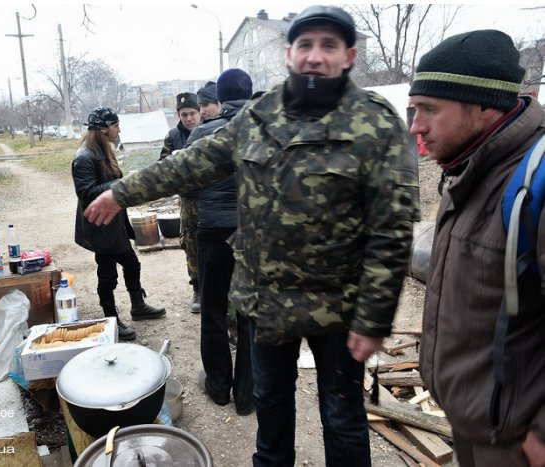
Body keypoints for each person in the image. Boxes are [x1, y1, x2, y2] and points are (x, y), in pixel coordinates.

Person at [83, 6, 420, 466]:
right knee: (271, 413)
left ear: (349, 56)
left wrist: (374, 317)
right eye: (305, 45)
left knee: (343, 420)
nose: (315, 56)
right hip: (267, 302)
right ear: (289, 53)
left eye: (329, 45)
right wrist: (122, 192)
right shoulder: (261, 116)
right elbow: (192, 162)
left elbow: (393, 229)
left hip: (340, 307)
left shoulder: (377, 122)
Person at [409, 30, 545, 467]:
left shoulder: (532, 181)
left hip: (518, 440)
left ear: (486, 104)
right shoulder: (468, 164)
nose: (416, 126)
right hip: (475, 420)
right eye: (414, 109)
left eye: (430, 109)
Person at [187, 68, 254, 415]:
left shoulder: (201, 133)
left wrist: (211, 199)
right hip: (251, 233)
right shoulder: (264, 130)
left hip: (213, 231)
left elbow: (187, 185)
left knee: (212, 309)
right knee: (248, 314)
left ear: (220, 99)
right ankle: (247, 395)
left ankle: (217, 387)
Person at [72, 107, 166, 342]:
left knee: (132, 264)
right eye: (116, 125)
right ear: (104, 130)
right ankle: (111, 319)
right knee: (107, 276)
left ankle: (138, 307)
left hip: (114, 224)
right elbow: (86, 193)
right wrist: (121, 183)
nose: (119, 129)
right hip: (100, 226)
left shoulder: (104, 151)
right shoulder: (84, 157)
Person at [160, 92, 202, 312]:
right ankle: (197, 288)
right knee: (190, 243)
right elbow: (163, 166)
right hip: (188, 200)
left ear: (200, 112)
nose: (188, 118)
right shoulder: (173, 136)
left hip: (209, 199)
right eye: (184, 114)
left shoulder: (209, 131)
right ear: (178, 114)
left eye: (192, 113)